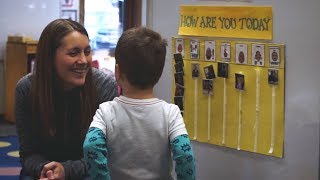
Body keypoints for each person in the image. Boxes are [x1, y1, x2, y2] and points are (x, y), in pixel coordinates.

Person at [83, 27, 196, 180]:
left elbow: (91, 145)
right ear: (159, 74)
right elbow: (185, 154)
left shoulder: (106, 111)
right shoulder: (170, 113)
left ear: (118, 72)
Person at [15, 19, 118, 180]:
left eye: (87, 51)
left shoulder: (104, 86)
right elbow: (28, 153)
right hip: (45, 172)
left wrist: (66, 170)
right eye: (73, 53)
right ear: (49, 57)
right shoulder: (26, 89)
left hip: (88, 170)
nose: (83, 60)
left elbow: (107, 154)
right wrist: (46, 171)